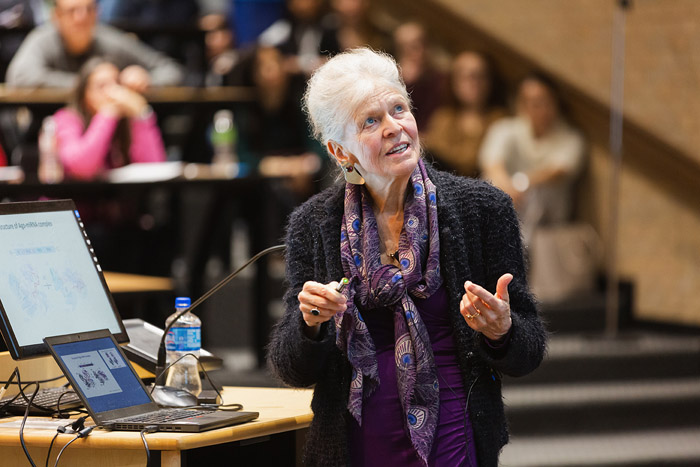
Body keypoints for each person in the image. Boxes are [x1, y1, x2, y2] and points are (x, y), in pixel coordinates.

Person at [267, 48, 546, 466]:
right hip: (356, 441)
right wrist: (309, 325)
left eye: (399, 109)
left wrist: (502, 330)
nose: (394, 128)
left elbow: (529, 350)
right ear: (340, 151)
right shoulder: (314, 225)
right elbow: (292, 368)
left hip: (454, 432)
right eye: (371, 122)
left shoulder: (482, 209)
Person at [478, 71, 586, 245]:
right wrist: (507, 189)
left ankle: (519, 249)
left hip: (548, 218)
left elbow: (558, 170)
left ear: (555, 101)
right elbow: (491, 162)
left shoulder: (570, 138)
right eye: (530, 102)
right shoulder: (506, 129)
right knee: (487, 182)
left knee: (535, 192)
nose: (538, 108)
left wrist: (522, 183)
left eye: (543, 101)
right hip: (509, 201)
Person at [5, 0, 183, 89]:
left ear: (97, 13)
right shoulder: (43, 39)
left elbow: (171, 69)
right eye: (72, 11)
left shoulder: (111, 40)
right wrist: (90, 86)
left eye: (88, 10)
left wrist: (146, 80)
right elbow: (19, 76)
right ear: (56, 17)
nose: (81, 18)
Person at [53, 57, 166, 180]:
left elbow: (153, 168)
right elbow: (81, 168)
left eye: (117, 84)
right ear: (84, 94)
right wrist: (106, 115)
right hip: (75, 197)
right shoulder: (66, 118)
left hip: (116, 198)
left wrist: (141, 116)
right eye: (102, 86)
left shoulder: (125, 121)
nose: (113, 92)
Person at [423, 51, 507, 178]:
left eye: (480, 76)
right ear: (453, 81)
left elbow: (478, 164)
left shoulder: (500, 120)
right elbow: (433, 155)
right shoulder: (443, 117)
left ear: (490, 81)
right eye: (464, 76)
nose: (473, 83)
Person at [392, 22, 447, 131]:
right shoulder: (392, 81)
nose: (417, 50)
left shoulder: (442, 80)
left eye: (420, 43)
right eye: (407, 47)